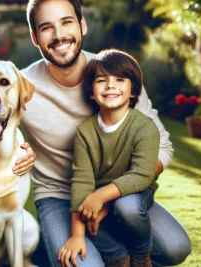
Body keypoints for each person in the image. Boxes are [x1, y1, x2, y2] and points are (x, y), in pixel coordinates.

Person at [22, 0, 191, 267]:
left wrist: (108, 198)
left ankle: (105, 243)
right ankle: (59, 240)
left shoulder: (117, 74)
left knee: (176, 248)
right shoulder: (21, 87)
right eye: (46, 28)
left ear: (82, 25)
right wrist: (17, 151)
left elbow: (164, 149)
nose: (58, 35)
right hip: (58, 194)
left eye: (67, 22)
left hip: (120, 190)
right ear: (34, 37)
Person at [59, 49, 160, 267]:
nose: (111, 86)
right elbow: (81, 181)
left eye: (120, 80)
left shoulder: (145, 127)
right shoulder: (84, 132)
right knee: (84, 213)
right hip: (98, 192)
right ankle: (118, 256)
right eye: (102, 80)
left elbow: (142, 175)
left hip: (136, 192)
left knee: (128, 207)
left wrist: (102, 196)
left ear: (133, 91)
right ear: (91, 92)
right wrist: (77, 235)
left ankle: (142, 256)